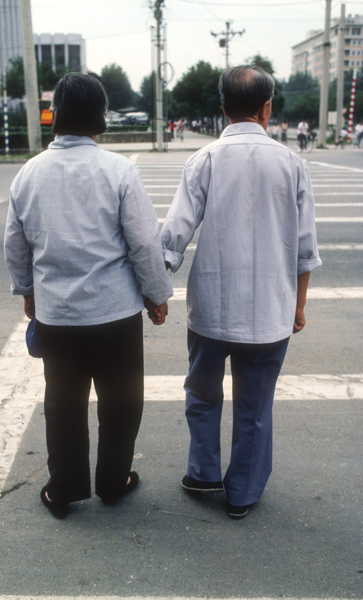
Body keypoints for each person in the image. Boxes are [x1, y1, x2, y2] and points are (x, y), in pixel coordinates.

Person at [4, 73, 173, 519]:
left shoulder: (29, 173)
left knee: (63, 404)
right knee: (121, 402)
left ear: (55, 115)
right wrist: (156, 295)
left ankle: (63, 490)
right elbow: (143, 243)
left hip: (58, 315)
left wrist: (27, 293)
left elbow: (15, 244)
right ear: (101, 117)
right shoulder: (119, 170)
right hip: (114, 314)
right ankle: (114, 481)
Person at [161, 65, 321, 520]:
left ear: (223, 106)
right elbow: (305, 248)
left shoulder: (205, 160)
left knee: (203, 393)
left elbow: (174, 234)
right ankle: (243, 494)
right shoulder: (292, 163)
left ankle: (204, 472)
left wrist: (156, 291)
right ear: (267, 108)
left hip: (212, 309)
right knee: (255, 407)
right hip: (271, 310)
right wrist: (299, 304)